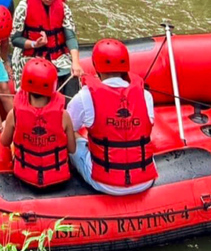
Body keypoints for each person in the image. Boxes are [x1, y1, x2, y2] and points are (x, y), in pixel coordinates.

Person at [67, 39, 157, 195]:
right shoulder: (145, 95)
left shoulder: (85, 96)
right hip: (145, 180)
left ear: (96, 67)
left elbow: (66, 128)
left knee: (71, 134)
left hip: (104, 183)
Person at [0, 58, 75, 189]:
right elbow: (72, 149)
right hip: (58, 180)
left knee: (6, 126)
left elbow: (4, 142)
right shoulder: (64, 116)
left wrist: (5, 126)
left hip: (25, 178)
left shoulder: (14, 114)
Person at [10, 0, 84, 95]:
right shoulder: (23, 8)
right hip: (30, 55)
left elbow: (70, 37)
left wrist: (76, 63)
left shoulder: (63, 8)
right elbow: (15, 40)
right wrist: (34, 44)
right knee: (36, 81)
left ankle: (68, 111)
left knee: (73, 80)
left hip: (57, 56)